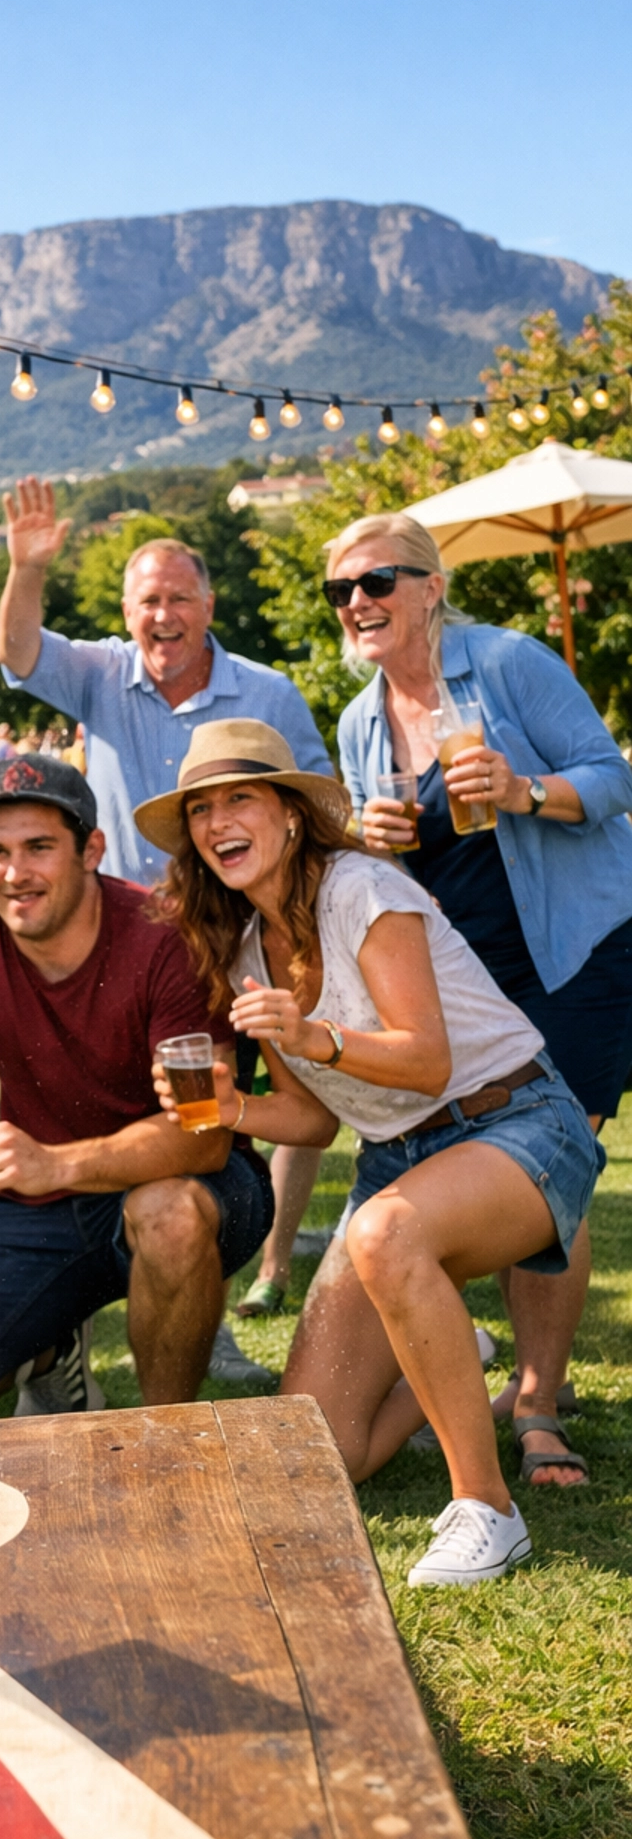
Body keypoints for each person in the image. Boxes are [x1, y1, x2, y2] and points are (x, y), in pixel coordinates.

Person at [141, 720, 603, 1587]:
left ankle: (488, 1510)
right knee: (318, 1451)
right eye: (200, 809)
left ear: (288, 815)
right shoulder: (248, 949)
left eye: (240, 797)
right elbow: (314, 1123)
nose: (216, 821)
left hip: (516, 1120)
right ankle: (450, 1366)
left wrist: (314, 1036)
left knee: (385, 1235)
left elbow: (424, 1056)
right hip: (400, 1161)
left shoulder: (361, 886)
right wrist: (238, 1106)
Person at [0, 475, 336, 1358]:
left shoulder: (268, 693)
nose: (164, 615)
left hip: (236, 939)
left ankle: (207, 1299)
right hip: (115, 941)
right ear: (126, 610)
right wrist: (26, 568)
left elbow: (319, 813)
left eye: (180, 597)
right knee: (112, 1112)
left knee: (211, 1113)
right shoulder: (103, 673)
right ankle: (67, 1315)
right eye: (149, 600)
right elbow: (20, 654)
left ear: (209, 605)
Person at [333, 511, 632, 1486]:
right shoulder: (358, 721)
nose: (358, 604)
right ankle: (470, 1365)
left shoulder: (506, 666)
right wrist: (365, 840)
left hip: (572, 955)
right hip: (466, 982)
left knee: (553, 1177)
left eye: (377, 581)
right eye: (340, 591)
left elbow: (609, 779)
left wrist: (523, 788)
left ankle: (539, 1402)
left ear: (430, 587)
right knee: (484, 1169)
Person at [0, 754, 274, 1431]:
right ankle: (47, 1353)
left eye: (40, 847)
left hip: (195, 1184)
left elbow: (203, 1134)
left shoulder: (167, 938)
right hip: (41, 1206)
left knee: (167, 1215)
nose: (16, 874)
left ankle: (169, 1442)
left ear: (91, 850)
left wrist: (58, 1162)